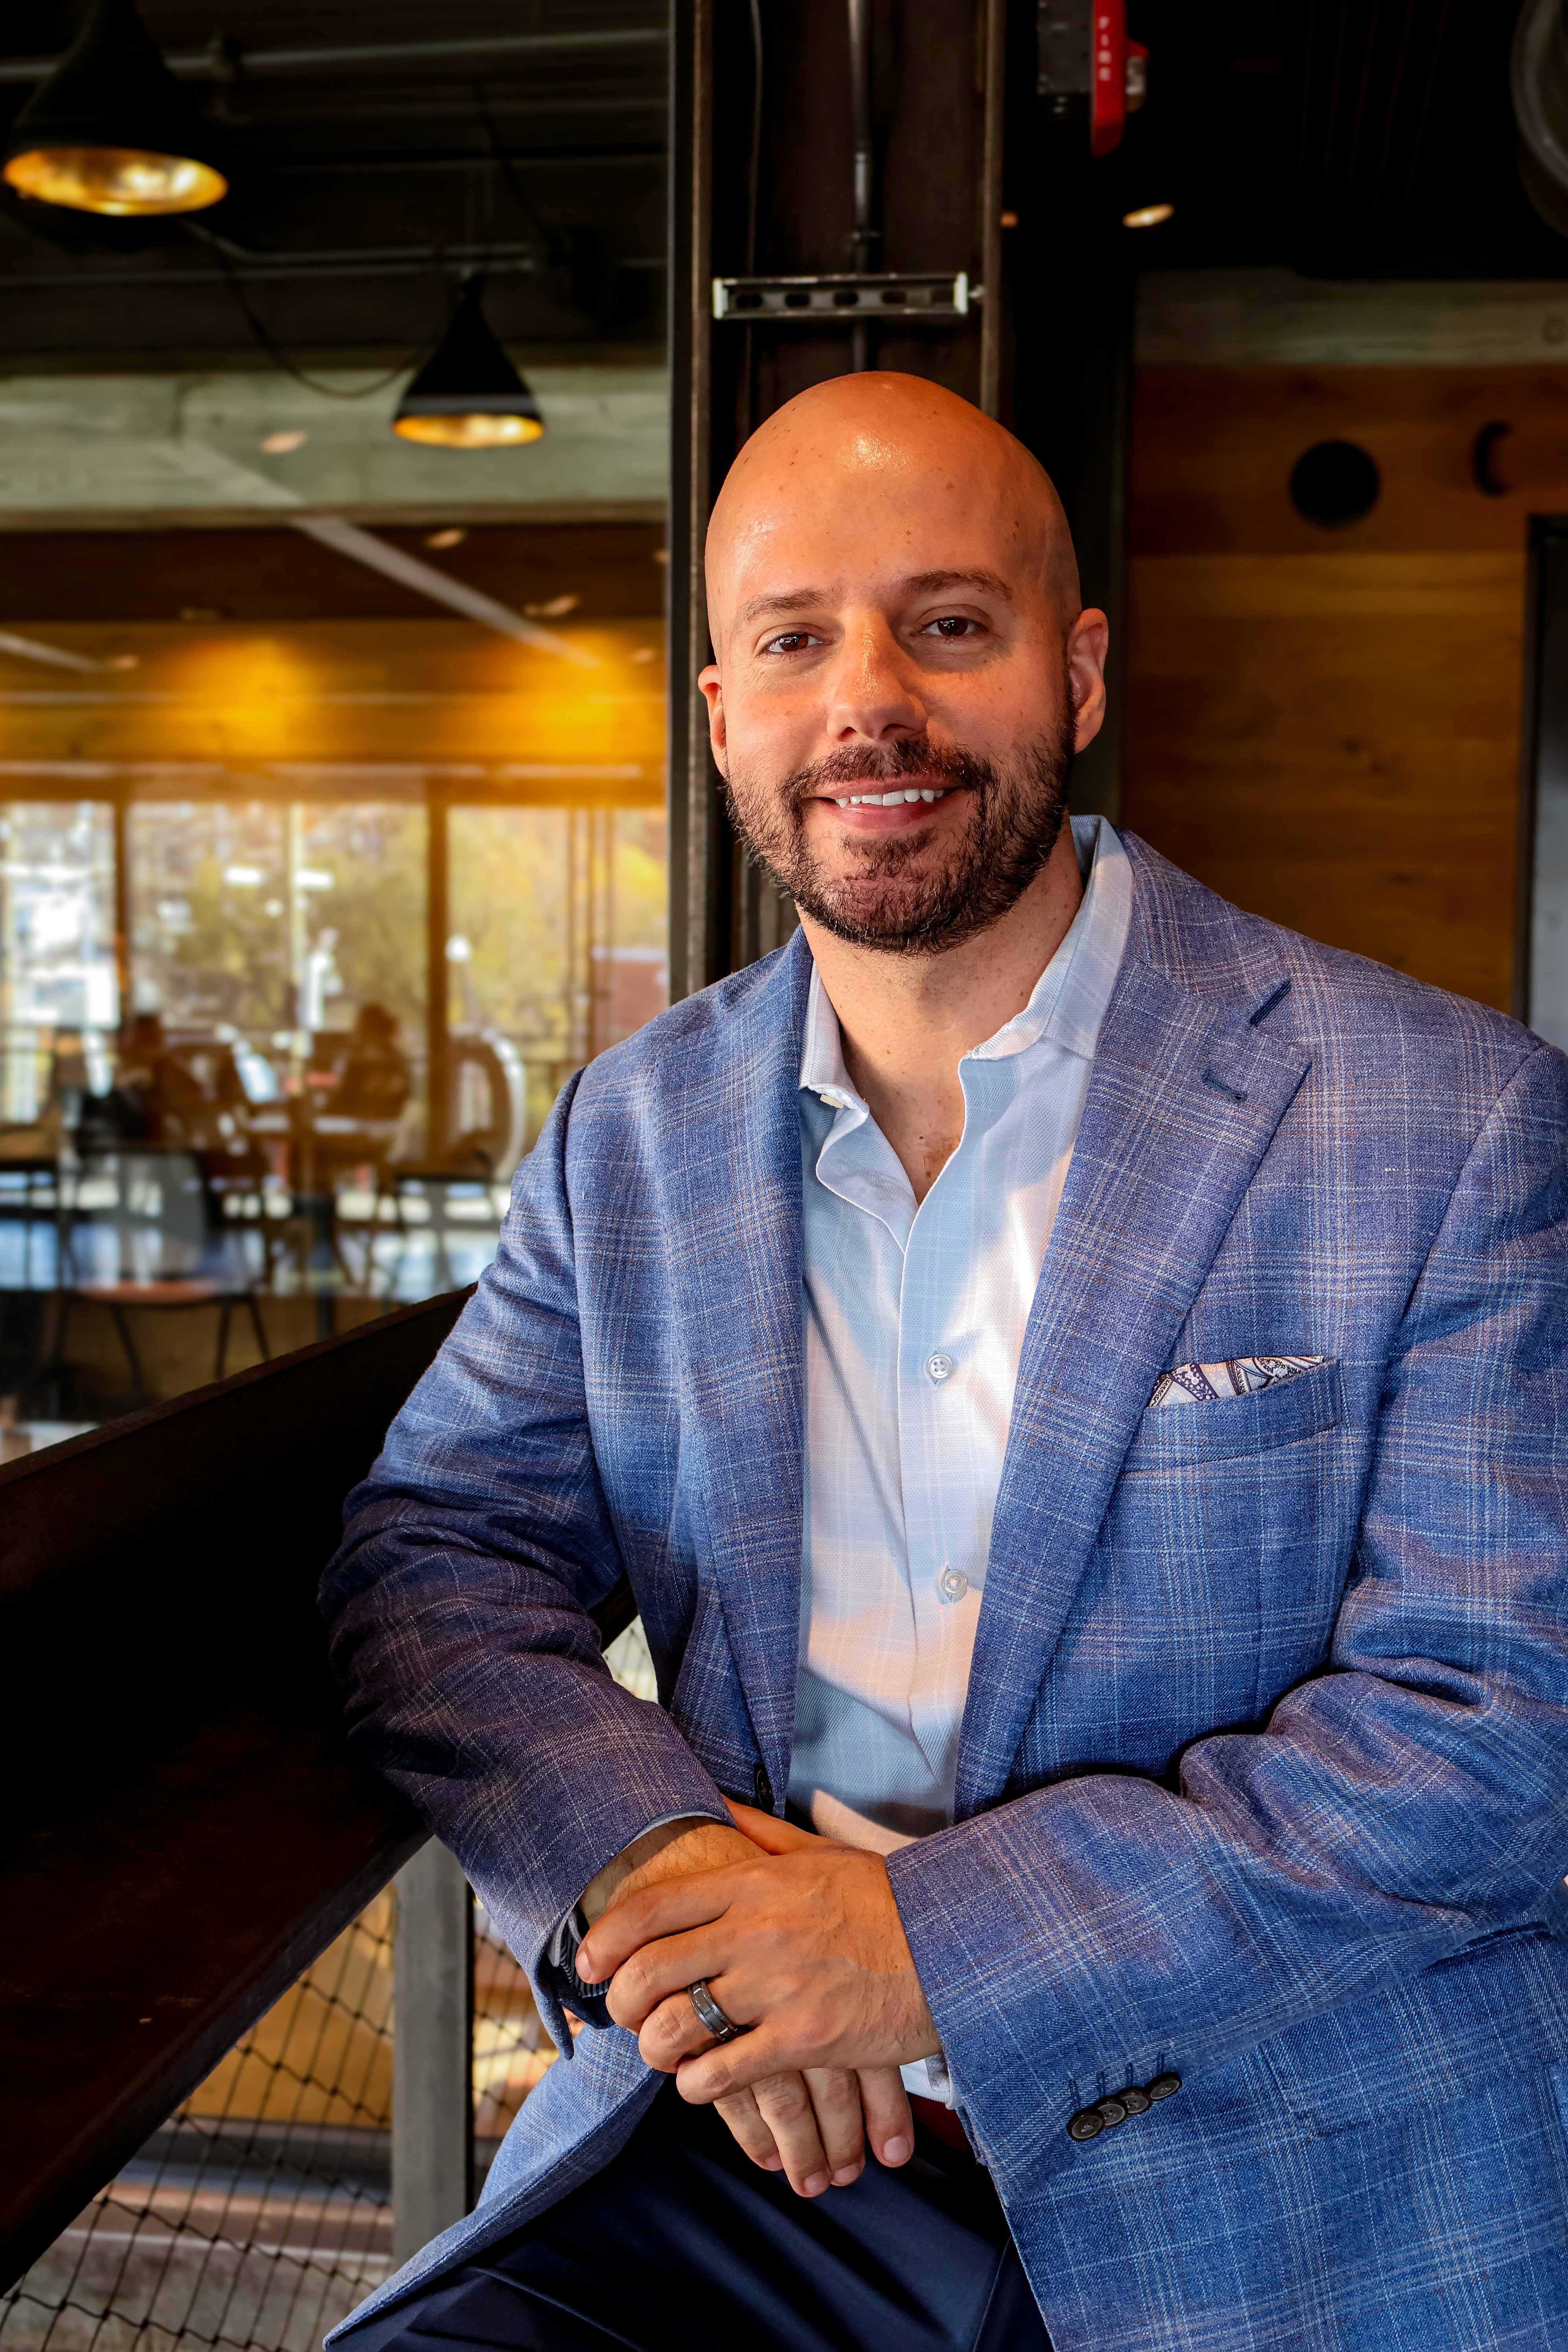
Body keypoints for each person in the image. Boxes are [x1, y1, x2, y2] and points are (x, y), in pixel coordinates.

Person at [320, 373, 1568, 2352]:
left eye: (948, 622)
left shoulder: (1448, 1117)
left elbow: (1495, 1719)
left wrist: (919, 1949)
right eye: (793, 638)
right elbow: (431, 1558)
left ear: (1072, 674)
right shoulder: (630, 1133)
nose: (867, 700)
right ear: (721, 712)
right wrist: (667, 1898)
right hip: (764, 2153)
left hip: (1290, 2166)